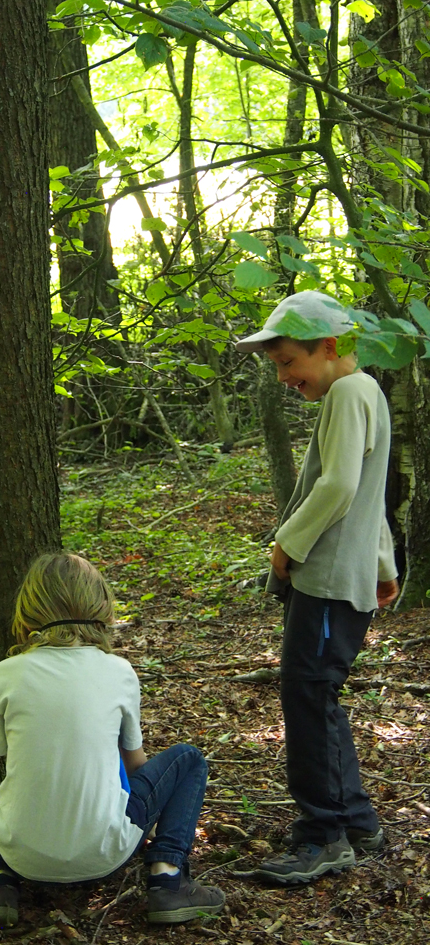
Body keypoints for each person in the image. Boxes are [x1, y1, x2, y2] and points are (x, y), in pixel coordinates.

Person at [0, 551, 225, 929]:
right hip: (106, 849)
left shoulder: (4, 674)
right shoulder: (118, 671)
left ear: (28, 609)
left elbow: (1, 753)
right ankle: (168, 878)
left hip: (22, 854)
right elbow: (135, 765)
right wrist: (152, 811)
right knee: (188, 759)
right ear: (101, 606)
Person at [235, 290, 399, 886]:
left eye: (288, 363)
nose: (284, 377)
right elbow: (371, 494)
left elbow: (339, 488)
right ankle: (355, 822)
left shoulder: (352, 392)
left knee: (306, 698)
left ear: (329, 348)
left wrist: (287, 544)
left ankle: (322, 835)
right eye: (277, 367)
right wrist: (383, 566)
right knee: (317, 696)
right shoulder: (365, 393)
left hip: (326, 581)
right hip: (338, 578)